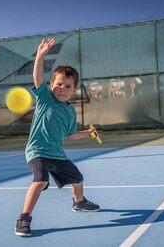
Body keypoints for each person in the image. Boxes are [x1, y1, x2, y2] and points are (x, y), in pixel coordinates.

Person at [15, 38, 100, 237]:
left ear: (74, 90)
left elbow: (70, 135)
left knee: (78, 179)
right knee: (41, 180)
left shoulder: (70, 112)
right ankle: (24, 218)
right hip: (38, 151)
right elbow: (37, 77)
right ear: (51, 84)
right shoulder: (45, 98)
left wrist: (88, 133)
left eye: (67, 86)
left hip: (57, 153)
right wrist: (41, 55)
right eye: (59, 84)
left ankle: (79, 202)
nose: (62, 89)